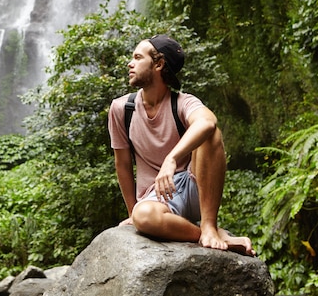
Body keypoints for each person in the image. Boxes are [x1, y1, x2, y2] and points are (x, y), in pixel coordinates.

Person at [107, 34, 255, 256]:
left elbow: (208, 122)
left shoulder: (183, 103)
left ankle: (208, 224)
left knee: (210, 133)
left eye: (138, 57)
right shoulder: (122, 109)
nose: (130, 63)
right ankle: (209, 234)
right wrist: (133, 212)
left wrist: (172, 158)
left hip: (195, 186)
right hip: (156, 197)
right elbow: (123, 165)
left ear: (159, 64)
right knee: (143, 216)